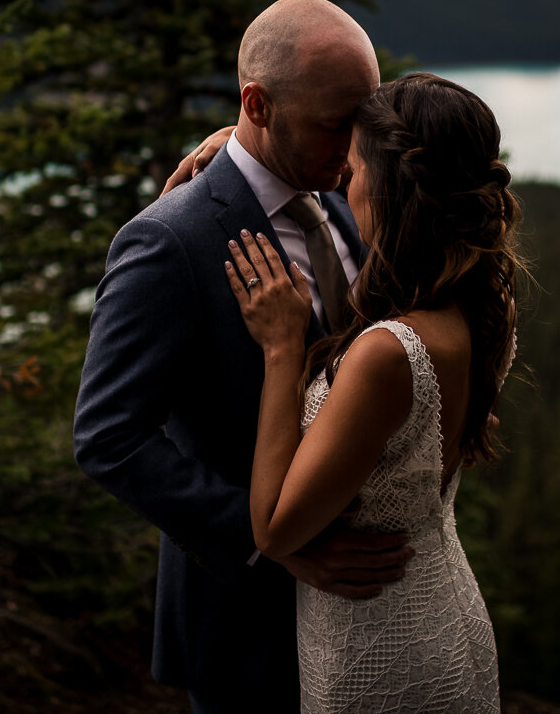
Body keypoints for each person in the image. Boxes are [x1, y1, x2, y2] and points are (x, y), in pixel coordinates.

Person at [72, 0, 416, 713]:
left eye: (362, 120)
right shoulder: (169, 241)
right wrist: (270, 539)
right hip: (242, 619)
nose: (355, 147)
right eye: (333, 125)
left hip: (359, 620)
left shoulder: (343, 187)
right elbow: (107, 437)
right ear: (257, 105)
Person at [224, 72, 522, 713]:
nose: (340, 182)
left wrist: (283, 348)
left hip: (379, 650)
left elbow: (274, 530)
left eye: (354, 168)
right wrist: (239, 150)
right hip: (444, 616)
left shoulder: (387, 355)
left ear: (392, 189)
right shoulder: (482, 302)